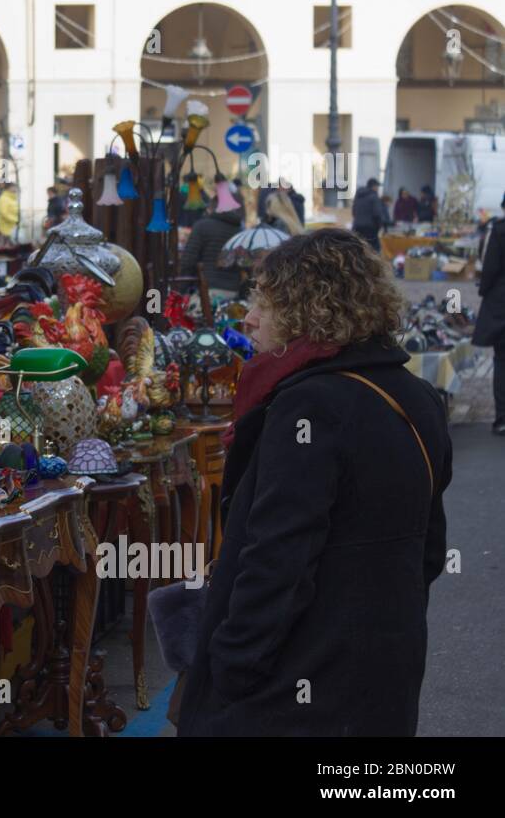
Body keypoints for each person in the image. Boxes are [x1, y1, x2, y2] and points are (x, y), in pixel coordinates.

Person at [177, 229, 451, 736]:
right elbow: (429, 550)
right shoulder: (419, 397)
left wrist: (233, 662)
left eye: (266, 301)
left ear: (311, 310)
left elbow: (278, 555)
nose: (251, 317)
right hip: (387, 662)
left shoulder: (311, 405)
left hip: (301, 678)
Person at [472, 192, 505, 434]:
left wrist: (483, 290)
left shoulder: (500, 230)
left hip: (502, 304)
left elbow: (491, 267)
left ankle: (503, 418)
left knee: (502, 361)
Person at [179, 196, 245, 298]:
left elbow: (188, 261)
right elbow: (245, 263)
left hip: (207, 290)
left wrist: (181, 290)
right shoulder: (240, 231)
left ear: (211, 208)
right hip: (233, 290)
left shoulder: (202, 226)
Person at [351, 177, 386, 250]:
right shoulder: (374, 197)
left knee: (359, 248)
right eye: (377, 186)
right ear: (373, 186)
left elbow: (354, 212)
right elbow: (377, 214)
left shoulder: (358, 196)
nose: (377, 188)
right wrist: (380, 226)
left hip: (357, 227)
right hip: (370, 228)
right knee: (373, 250)